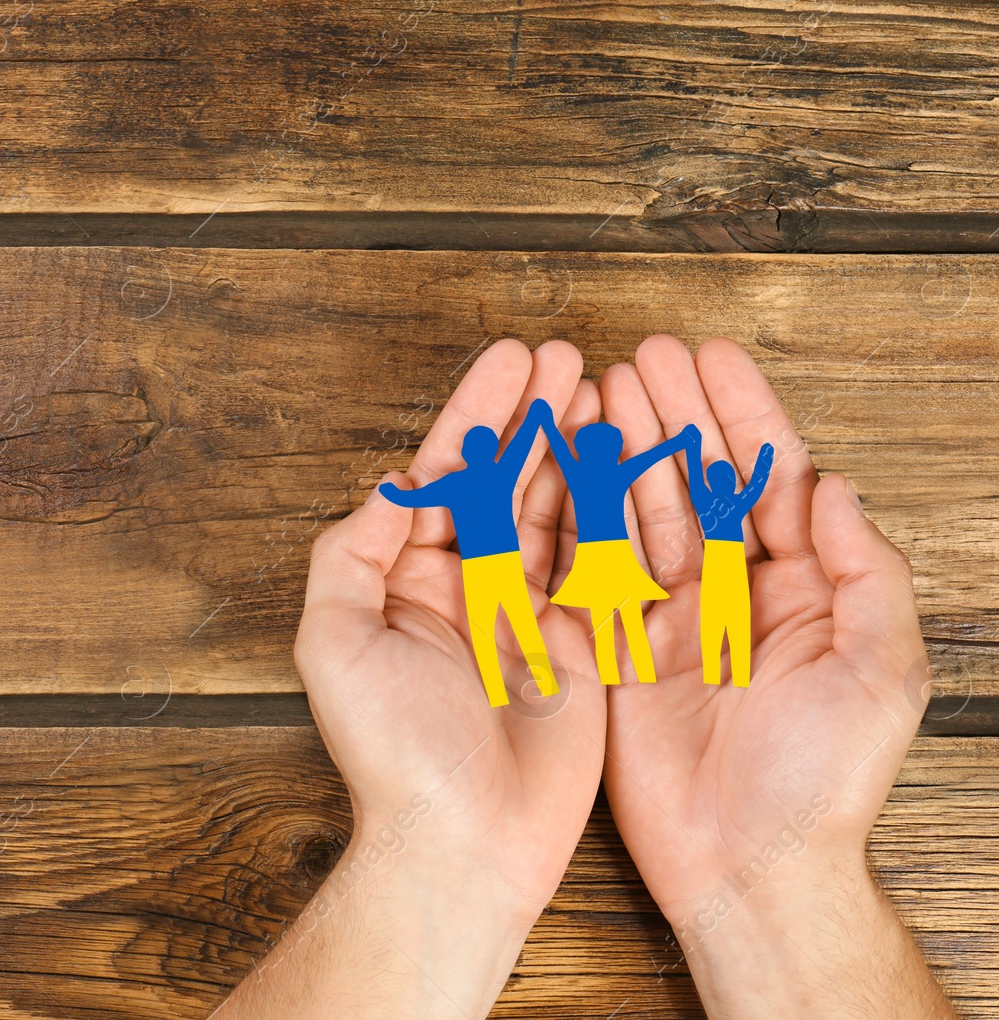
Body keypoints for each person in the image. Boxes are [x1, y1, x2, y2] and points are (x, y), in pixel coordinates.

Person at [210, 336, 955, 1020]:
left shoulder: (502, 477)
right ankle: (540, 672)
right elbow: (557, 459)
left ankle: (549, 671)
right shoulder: (494, 478)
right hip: (526, 570)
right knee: (581, 631)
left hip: (590, 567)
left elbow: (568, 459)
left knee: (615, 628)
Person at [378, 402, 559, 707]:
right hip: (506, 562)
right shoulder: (502, 473)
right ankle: (546, 682)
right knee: (523, 622)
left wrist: (390, 493)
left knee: (482, 629)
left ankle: (496, 695)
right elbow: (521, 445)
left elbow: (412, 497)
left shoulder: (454, 482)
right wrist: (535, 417)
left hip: (477, 566)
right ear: (491, 451)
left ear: (465, 453)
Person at [533, 402, 696, 683]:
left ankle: (613, 674)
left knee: (602, 618)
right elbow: (653, 455)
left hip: (593, 555)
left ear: (582, 451)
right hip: (616, 553)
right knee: (630, 615)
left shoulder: (577, 472)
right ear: (615, 450)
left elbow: (559, 448)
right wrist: (682, 441)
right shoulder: (618, 471)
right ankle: (644, 673)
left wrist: (546, 421)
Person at [685, 426, 775, 686]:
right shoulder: (736, 503)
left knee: (713, 622)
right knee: (736, 621)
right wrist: (765, 459)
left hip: (715, 567)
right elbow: (756, 485)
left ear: (711, 482)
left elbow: (693, 475)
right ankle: (740, 677)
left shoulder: (703, 501)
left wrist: (694, 445)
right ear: (731, 482)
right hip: (731, 568)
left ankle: (714, 676)